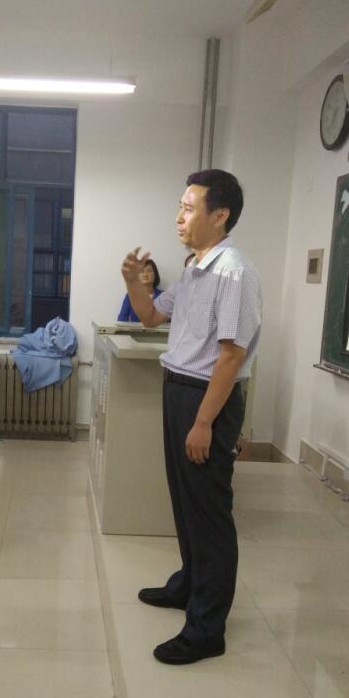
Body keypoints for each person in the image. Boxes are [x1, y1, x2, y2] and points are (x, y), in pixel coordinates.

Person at [121, 169, 262, 665]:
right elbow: (150, 316)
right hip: (179, 390)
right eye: (179, 206)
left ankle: (206, 629)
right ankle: (189, 583)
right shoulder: (196, 269)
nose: (179, 216)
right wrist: (132, 282)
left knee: (209, 512)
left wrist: (203, 422)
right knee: (185, 501)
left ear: (219, 215)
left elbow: (231, 354)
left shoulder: (234, 272)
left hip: (207, 400)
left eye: (188, 207)